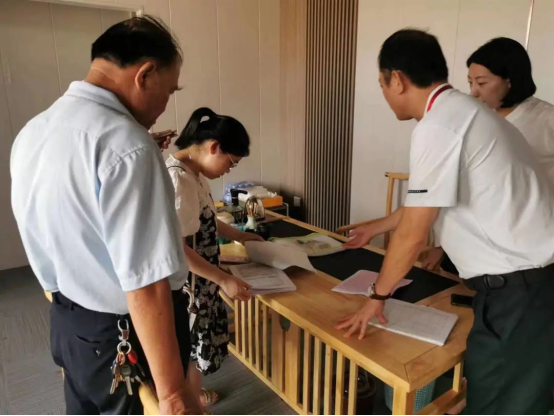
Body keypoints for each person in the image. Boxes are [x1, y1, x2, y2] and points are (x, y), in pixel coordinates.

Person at [336, 29, 554, 414]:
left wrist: (376, 298)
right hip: (522, 290)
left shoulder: (439, 126)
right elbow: (425, 202)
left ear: (397, 79)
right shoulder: (461, 113)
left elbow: (413, 233)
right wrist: (376, 227)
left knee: (500, 403)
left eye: (381, 84)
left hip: (521, 295)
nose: (384, 92)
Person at [11, 16, 201, 415]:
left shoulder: (34, 130)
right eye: (169, 90)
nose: (166, 104)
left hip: (69, 323)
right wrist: (171, 396)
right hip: (127, 334)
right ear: (145, 74)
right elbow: (146, 283)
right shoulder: (128, 146)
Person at [421, 37, 554, 272]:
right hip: (475, 243)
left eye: (482, 83)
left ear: (510, 80)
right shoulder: (476, 117)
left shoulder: (545, 120)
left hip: (525, 250)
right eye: (470, 82)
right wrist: (442, 244)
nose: (473, 92)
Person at [166, 107, 264, 409]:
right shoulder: (179, 180)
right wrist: (222, 279)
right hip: (192, 284)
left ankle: (192, 394)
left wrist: (241, 236)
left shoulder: (192, 173)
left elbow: (207, 219)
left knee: (197, 343)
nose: (228, 171)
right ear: (214, 147)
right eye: (230, 163)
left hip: (202, 278)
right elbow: (177, 247)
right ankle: (191, 404)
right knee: (193, 344)